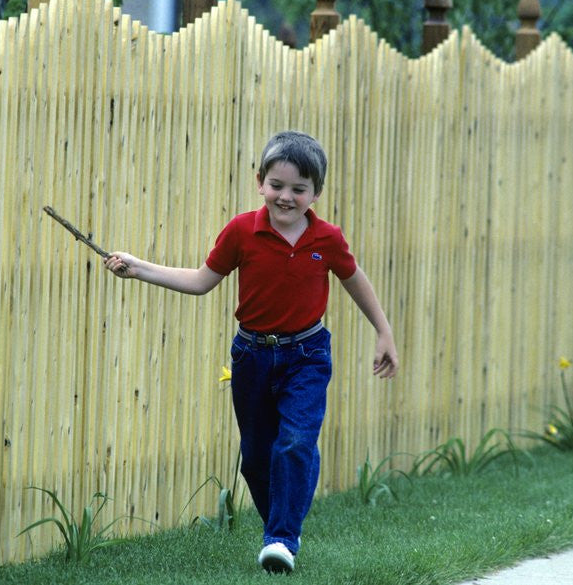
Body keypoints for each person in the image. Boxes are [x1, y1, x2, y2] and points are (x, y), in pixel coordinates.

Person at [103, 130, 398, 574]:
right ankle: (283, 526)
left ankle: (281, 538)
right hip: (252, 356)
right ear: (260, 181)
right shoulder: (242, 231)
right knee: (257, 458)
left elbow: (354, 280)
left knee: (296, 442)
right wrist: (138, 268)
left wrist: (384, 331)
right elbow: (201, 281)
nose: (285, 197)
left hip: (307, 354)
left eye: (298, 189)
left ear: (315, 192)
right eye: (277, 185)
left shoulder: (327, 240)